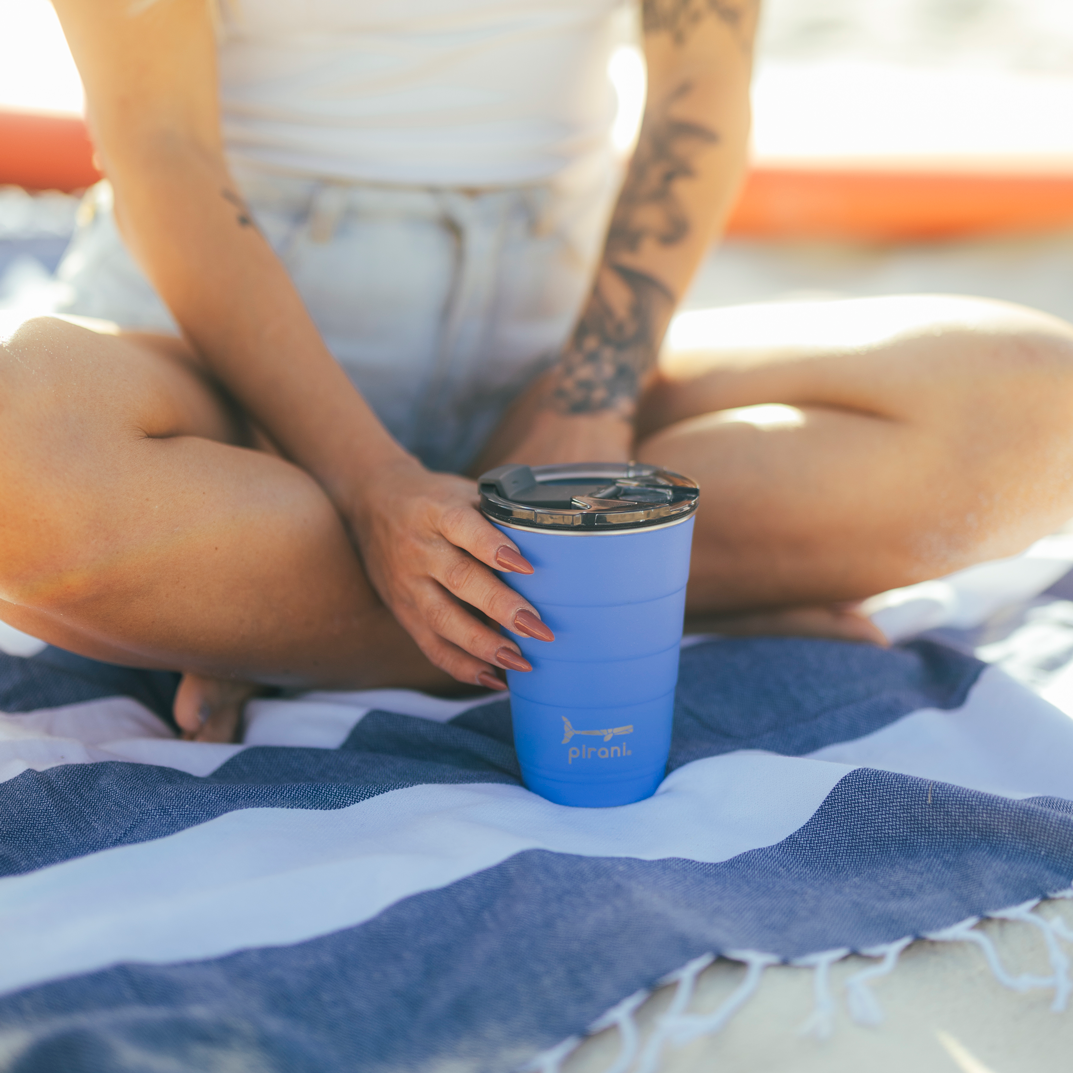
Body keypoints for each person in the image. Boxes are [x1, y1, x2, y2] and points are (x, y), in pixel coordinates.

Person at [2, 0, 1072, 743]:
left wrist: (589, 401)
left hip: (546, 363)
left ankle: (279, 618)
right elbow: (161, 148)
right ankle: (615, 603)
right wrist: (367, 482)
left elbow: (697, 96)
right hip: (223, 375)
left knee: (1038, 402)